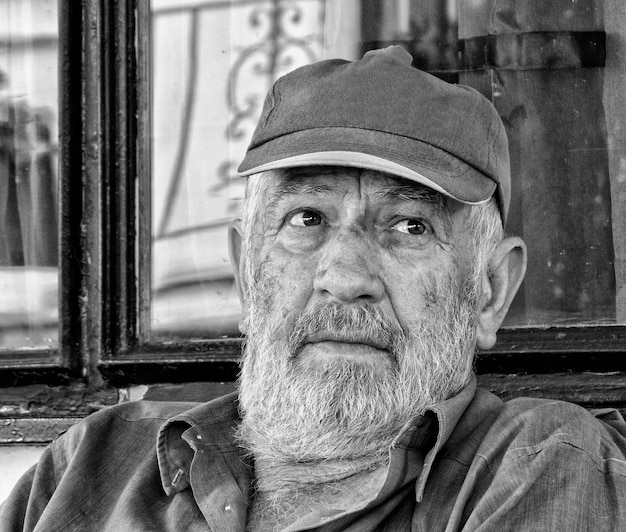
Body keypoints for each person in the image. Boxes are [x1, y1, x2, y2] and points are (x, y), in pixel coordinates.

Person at [2, 46, 626, 532]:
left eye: (410, 227)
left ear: (489, 290)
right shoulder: (87, 464)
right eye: (306, 219)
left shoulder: (536, 466)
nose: (347, 279)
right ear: (248, 277)